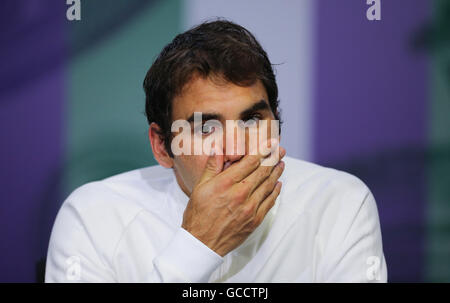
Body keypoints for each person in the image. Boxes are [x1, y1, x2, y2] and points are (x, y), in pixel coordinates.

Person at [45, 19, 387, 282]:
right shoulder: (92, 217)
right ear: (162, 147)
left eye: (253, 119)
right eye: (206, 127)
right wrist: (197, 246)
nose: (236, 149)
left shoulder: (340, 203)